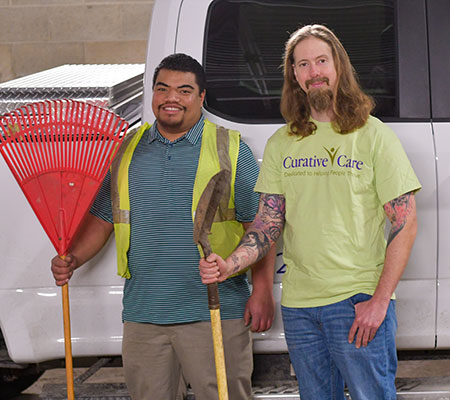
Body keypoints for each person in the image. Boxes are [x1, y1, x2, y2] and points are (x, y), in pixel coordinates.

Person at [199, 24, 421, 400]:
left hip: (357, 302)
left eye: (321, 60)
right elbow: (268, 222)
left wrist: (379, 300)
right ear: (295, 76)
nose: (313, 71)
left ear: (339, 67)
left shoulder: (373, 135)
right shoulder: (282, 143)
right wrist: (229, 265)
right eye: (302, 64)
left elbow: (405, 223)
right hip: (301, 309)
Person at [51, 53, 275, 400]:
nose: (172, 98)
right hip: (144, 316)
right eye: (163, 88)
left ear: (201, 98)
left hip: (215, 311)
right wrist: (73, 259)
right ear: (152, 94)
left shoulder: (230, 149)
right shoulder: (126, 149)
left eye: (184, 90)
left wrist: (261, 291)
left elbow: (260, 225)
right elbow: (104, 218)